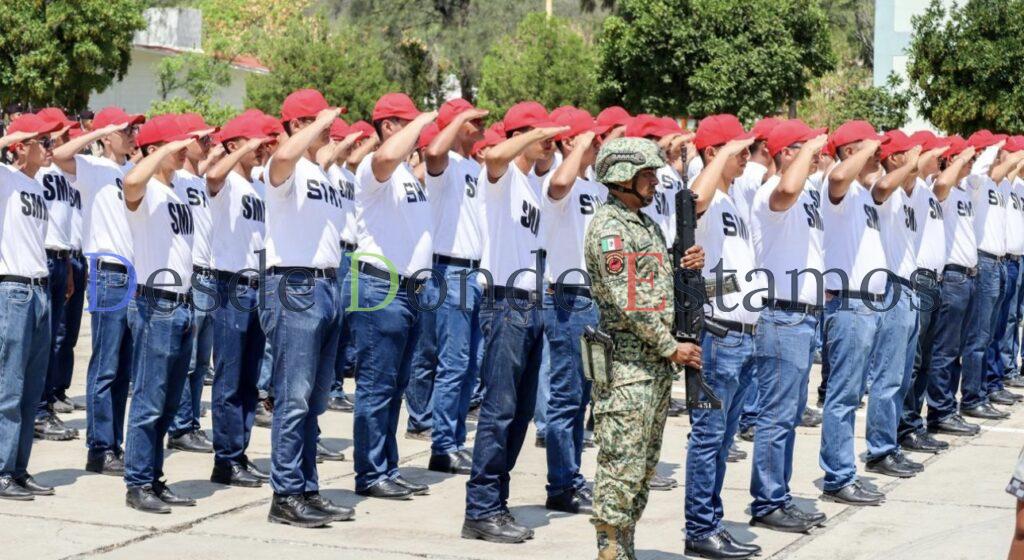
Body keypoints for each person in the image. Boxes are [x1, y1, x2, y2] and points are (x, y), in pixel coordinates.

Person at [583, 137, 702, 559]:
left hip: (651, 368)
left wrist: (684, 266)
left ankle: (625, 552)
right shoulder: (611, 228)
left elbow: (657, 285)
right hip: (627, 369)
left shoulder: (644, 224)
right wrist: (673, 347)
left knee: (641, 472)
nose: (654, 182)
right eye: (647, 174)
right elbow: (629, 301)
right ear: (621, 177)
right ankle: (611, 552)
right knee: (620, 471)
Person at [461, 102, 566, 543]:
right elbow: (495, 156)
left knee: (520, 413)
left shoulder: (532, 185)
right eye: (545, 137)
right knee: (499, 411)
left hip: (530, 304)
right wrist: (529, 133)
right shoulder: (502, 179)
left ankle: (497, 502)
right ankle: (480, 508)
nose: (551, 144)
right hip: (503, 303)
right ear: (522, 134)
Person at [261, 90, 349, 527]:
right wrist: (315, 124)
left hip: (328, 286)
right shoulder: (285, 169)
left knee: (314, 402)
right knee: (293, 398)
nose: (328, 127)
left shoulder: (323, 173)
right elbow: (280, 160)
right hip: (295, 285)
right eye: (317, 121)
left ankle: (307, 487)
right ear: (298, 125)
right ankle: (285, 494)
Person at [683, 114, 764, 560]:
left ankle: (710, 520)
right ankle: (699, 527)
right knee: (708, 436)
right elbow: (693, 198)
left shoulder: (733, 199)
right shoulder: (707, 196)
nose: (749, 158)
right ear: (714, 154)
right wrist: (716, 154)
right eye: (741, 151)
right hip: (717, 334)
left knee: (724, 437)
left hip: (742, 333)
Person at [350, 93, 436, 501]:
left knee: (396, 387)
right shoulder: (376, 167)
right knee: (375, 386)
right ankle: (369, 473)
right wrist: (421, 122)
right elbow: (383, 160)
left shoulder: (406, 172)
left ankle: (388, 465)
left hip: (409, 290)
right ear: (388, 127)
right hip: (381, 288)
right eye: (407, 124)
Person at [51, 107, 145, 475]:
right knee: (106, 365)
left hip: (134, 275)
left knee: (123, 368)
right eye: (126, 130)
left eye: (134, 129)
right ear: (108, 136)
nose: (133, 135)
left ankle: (114, 443)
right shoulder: (95, 169)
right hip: (108, 275)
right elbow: (60, 155)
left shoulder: (130, 171)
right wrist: (101, 130)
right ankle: (99, 447)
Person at [748, 119, 830, 532]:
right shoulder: (773, 191)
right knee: (776, 416)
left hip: (802, 313)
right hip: (780, 313)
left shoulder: (809, 192)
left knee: (789, 415)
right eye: (804, 147)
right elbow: (785, 189)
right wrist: (808, 147)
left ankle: (778, 494)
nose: (816, 152)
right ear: (783, 154)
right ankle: (767, 502)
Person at [121, 115, 200, 513]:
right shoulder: (146, 189)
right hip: (156, 304)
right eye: (175, 146)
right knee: (149, 399)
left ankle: (153, 477)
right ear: (154, 151)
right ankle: (137, 483)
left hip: (182, 304)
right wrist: (162, 150)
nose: (183, 151)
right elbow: (131, 183)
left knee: (169, 402)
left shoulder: (176, 191)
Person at [539, 108, 608, 514]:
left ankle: (573, 476)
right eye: (592, 141)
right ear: (571, 142)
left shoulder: (596, 188)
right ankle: (561, 486)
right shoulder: (558, 182)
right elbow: (561, 181)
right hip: (568, 297)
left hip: (594, 299)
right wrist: (578, 142)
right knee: (566, 399)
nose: (598, 147)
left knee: (584, 397)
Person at [202, 114, 273, 489]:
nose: (262, 148)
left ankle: (239, 452)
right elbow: (211, 177)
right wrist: (242, 145)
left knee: (248, 379)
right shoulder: (225, 181)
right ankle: (225, 459)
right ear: (234, 146)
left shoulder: (258, 188)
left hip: (256, 287)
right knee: (229, 378)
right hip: (230, 286)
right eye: (254, 143)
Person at [420, 99, 489, 476]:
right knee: (454, 363)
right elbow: (432, 151)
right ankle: (443, 445)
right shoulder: (443, 165)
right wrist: (457, 115)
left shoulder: (472, 167)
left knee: (469, 366)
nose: (481, 126)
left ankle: (456, 439)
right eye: (474, 121)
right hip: (450, 270)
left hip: (473, 273)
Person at [0, 116, 62, 500]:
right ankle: (2, 470)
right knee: (10, 386)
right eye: (42, 140)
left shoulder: (36, 187)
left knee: (31, 389)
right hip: (15, 289)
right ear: (21, 146)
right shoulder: (5, 178)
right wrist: (16, 135)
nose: (50, 146)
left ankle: (19, 468)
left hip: (40, 290)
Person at [862, 131, 926, 480]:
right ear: (893, 158)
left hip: (910, 286)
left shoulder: (907, 190)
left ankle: (891, 442)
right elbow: (883, 187)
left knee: (902, 375)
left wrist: (917, 161)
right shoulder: (881, 187)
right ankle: (879, 449)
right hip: (892, 287)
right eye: (905, 155)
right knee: (887, 377)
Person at [898, 133, 967, 452]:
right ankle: (905, 426)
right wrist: (920, 158)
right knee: (913, 362)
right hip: (918, 282)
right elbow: (921, 177)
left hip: (934, 281)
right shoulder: (913, 186)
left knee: (925, 360)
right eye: (936, 155)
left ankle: (914, 422)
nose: (941, 160)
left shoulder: (928, 190)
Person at [167, 113, 218, 455]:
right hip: (192, 275)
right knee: (186, 360)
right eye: (202, 139)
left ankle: (191, 423)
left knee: (202, 361)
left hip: (210, 275)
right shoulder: (177, 181)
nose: (209, 144)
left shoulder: (202, 183)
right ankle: (180, 425)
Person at [928, 136, 986, 436]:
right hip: (952, 277)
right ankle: (940, 410)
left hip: (968, 276)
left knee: (957, 349)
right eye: (966, 160)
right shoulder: (942, 187)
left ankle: (947, 406)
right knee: (945, 350)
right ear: (950, 160)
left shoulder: (963, 190)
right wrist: (960, 158)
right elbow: (939, 186)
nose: (972, 164)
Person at [32, 109, 82, 432]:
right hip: (41, 258)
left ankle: (48, 401)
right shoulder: (33, 171)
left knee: (57, 337)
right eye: (55, 135)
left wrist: (69, 266)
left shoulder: (64, 174)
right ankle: (38, 408)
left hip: (62, 257)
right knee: (41, 340)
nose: (61, 141)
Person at [959, 131, 1013, 421]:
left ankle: (983, 390)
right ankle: (972, 396)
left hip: (999, 262)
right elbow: (982, 168)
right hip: (984, 262)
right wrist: (992, 150)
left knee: (990, 332)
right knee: (978, 336)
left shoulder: (1001, 184)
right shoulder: (976, 182)